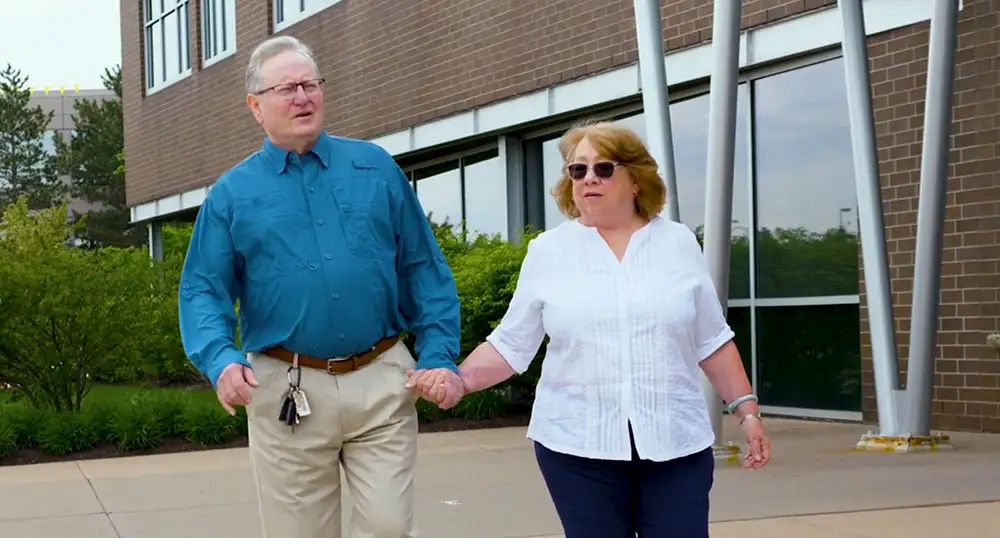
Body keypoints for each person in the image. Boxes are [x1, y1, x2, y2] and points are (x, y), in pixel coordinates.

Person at [408, 122, 771, 538]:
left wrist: (747, 411)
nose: (588, 179)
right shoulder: (549, 250)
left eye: (603, 168)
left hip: (676, 444)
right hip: (577, 447)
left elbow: (710, 339)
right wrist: (460, 381)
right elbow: (511, 343)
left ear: (635, 180)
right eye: (577, 170)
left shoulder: (679, 243)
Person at [178, 35, 464, 538]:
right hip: (287, 389)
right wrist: (220, 358)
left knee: (389, 528)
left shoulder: (374, 168)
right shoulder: (230, 195)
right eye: (287, 88)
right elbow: (203, 289)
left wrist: (439, 354)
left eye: (311, 84)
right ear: (255, 106)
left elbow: (423, 268)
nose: (303, 97)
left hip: (381, 380)